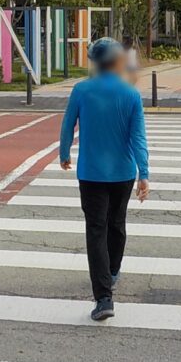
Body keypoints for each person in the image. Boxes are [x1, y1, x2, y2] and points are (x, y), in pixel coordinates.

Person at [59, 37, 150, 322]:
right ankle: (111, 271)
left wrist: (64, 153)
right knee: (117, 224)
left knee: (96, 230)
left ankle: (104, 297)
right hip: (123, 172)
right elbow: (138, 137)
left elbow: (67, 125)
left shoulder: (81, 90)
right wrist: (143, 173)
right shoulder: (131, 94)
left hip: (91, 172)